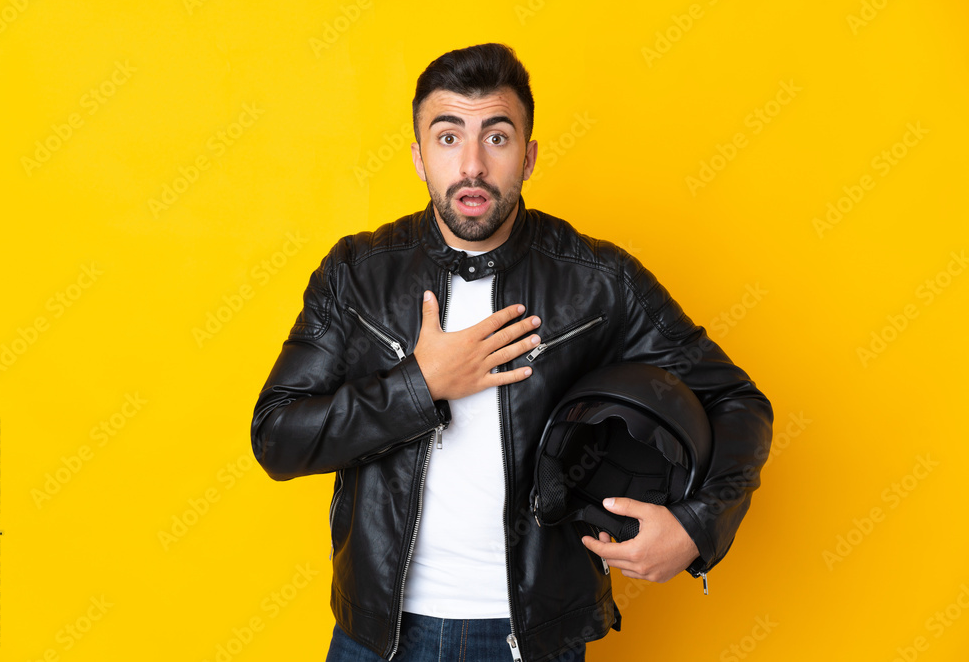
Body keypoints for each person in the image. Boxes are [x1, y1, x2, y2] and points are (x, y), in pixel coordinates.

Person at [250, 42, 773, 662]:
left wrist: (696, 527)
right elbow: (277, 437)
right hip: (378, 635)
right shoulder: (355, 274)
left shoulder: (600, 280)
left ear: (527, 157)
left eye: (496, 138)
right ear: (419, 157)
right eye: (448, 138)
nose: (472, 165)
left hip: (535, 637)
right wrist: (421, 385)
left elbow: (737, 401)